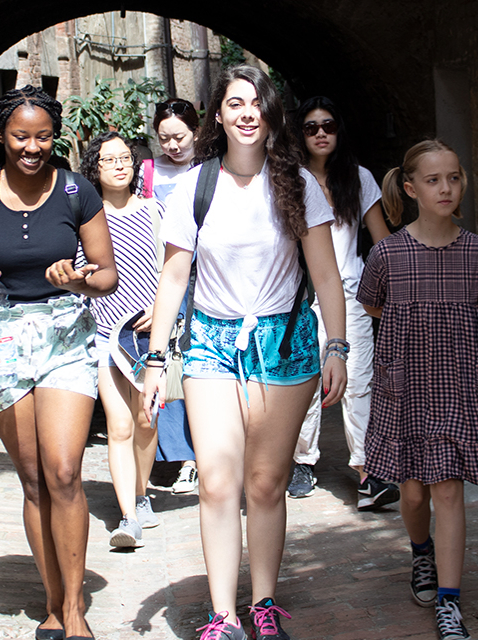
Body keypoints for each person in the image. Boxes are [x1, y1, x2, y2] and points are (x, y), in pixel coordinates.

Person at [141, 65, 348, 640]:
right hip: (211, 341)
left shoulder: (298, 183)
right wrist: (157, 360)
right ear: (219, 114)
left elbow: (327, 277)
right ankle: (221, 616)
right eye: (235, 103)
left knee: (264, 482)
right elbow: (174, 278)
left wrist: (337, 346)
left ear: (271, 113)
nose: (247, 112)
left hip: (284, 341)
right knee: (216, 480)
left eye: (257, 102)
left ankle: (262, 603)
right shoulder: (195, 187)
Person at [0, 85, 117, 640]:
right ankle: (52, 600)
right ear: (2, 136)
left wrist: (79, 277)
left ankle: (75, 611)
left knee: (64, 471)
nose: (32, 147)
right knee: (35, 478)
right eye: (21, 136)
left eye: (42, 136)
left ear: (54, 137)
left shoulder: (75, 192)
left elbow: (107, 275)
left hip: (64, 333)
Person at [356, 139, 478, 640]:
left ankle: (450, 601)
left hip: (459, 386)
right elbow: (373, 305)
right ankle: (422, 553)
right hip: (406, 386)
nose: (446, 188)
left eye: (454, 178)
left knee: (447, 489)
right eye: (435, 180)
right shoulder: (388, 254)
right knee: (414, 493)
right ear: (411, 187)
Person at [287, 96, 400, 512]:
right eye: (311, 127)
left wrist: (408, 272)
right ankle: (302, 460)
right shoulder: (289, 180)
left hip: (350, 293)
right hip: (299, 296)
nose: (320, 133)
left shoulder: (359, 177)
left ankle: (370, 471)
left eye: (328, 126)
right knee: (305, 381)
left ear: (339, 131)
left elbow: (381, 238)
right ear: (300, 134)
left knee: (358, 381)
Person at [79, 131, 165, 548]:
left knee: (147, 421)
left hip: (150, 337)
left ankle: (142, 493)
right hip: (105, 336)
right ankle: (128, 517)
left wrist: (166, 308)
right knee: (119, 424)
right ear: (95, 169)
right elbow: (80, 275)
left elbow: (176, 266)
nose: (119, 165)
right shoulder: (86, 219)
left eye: (125, 158)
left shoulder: (155, 211)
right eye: (109, 159)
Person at [143, 98, 201, 494]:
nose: (173, 146)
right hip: (164, 275)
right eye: (164, 139)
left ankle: (201, 454)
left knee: (200, 360)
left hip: (207, 276)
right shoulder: (146, 172)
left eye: (179, 137)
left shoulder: (213, 169)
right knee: (165, 360)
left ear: (195, 132)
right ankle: (175, 453)